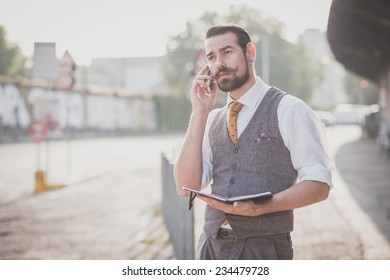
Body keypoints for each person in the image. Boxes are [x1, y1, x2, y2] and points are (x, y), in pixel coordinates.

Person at [174, 23, 334, 260]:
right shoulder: (211, 119)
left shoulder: (289, 110)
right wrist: (198, 114)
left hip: (264, 249)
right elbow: (185, 187)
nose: (219, 63)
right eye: (211, 57)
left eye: (227, 52)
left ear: (250, 52)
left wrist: (263, 207)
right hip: (210, 246)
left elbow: (319, 185)